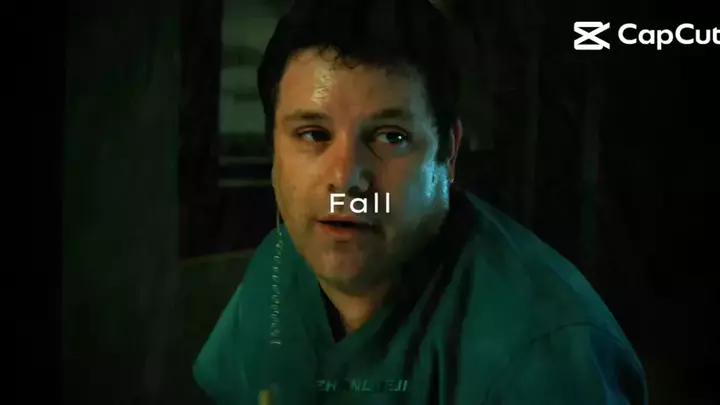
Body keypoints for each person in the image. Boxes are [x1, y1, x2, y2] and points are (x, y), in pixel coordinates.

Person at [193, 0, 648, 404]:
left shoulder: (543, 354)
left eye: (391, 137)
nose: (346, 181)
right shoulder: (280, 266)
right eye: (313, 134)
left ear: (447, 153)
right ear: (273, 151)